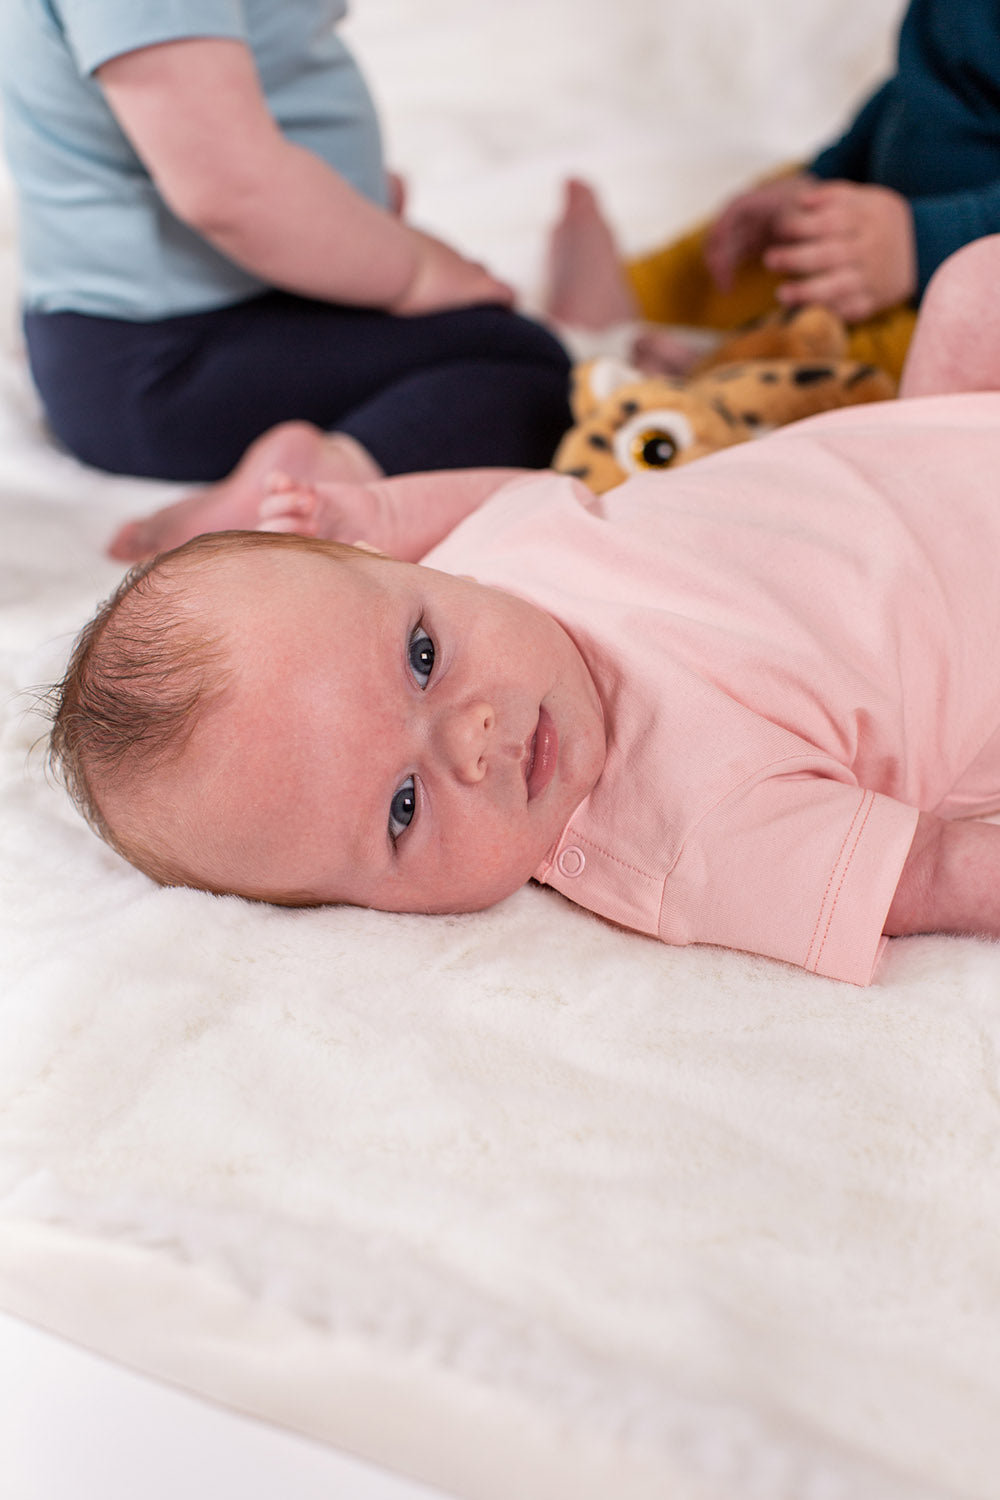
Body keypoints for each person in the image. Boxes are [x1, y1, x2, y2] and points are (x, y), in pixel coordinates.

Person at [45, 236, 1000, 986]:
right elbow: (934, 872)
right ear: (367, 912)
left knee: (973, 287)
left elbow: (518, 495)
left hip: (935, 431)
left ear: (403, 568)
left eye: (421, 658)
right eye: (404, 808)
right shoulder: (685, 840)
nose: (474, 736)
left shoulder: (490, 573)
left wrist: (374, 508)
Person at [0, 0, 572, 559]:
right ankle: (311, 485)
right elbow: (229, 189)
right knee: (523, 363)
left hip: (205, 326)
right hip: (160, 368)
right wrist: (413, 271)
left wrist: (352, 204)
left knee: (499, 346)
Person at [544, 0, 1000, 384]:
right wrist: (827, 172)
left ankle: (715, 379)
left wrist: (925, 242)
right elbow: (922, 81)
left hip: (968, 274)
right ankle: (625, 302)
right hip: (888, 212)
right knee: (766, 237)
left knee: (896, 368)